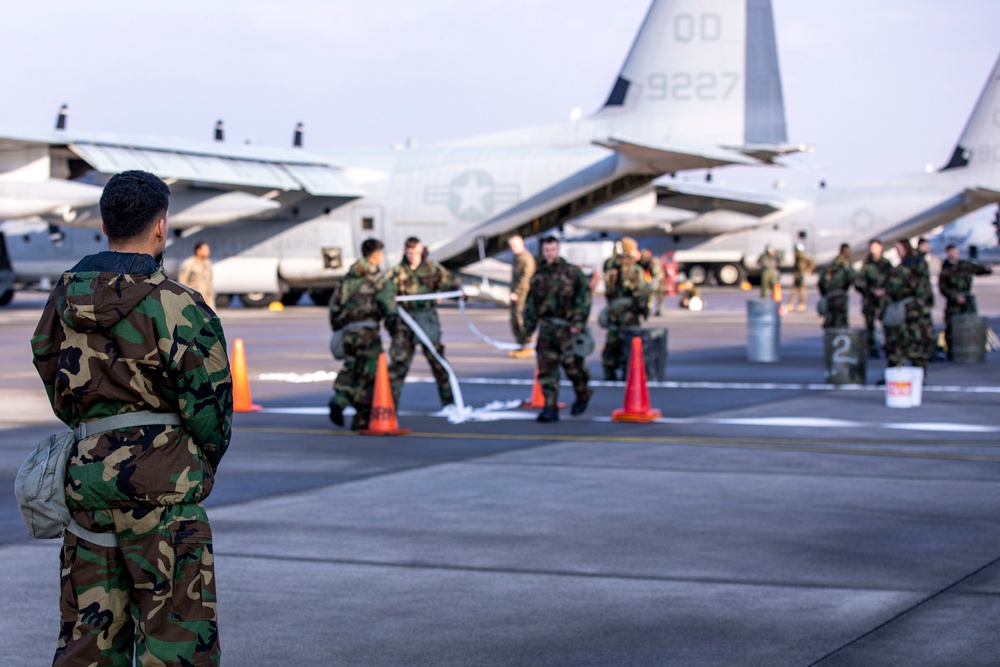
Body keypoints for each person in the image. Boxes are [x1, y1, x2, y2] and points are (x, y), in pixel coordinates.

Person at [30, 170, 232, 666]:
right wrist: (195, 463)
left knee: (89, 643)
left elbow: (50, 370)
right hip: (165, 495)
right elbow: (210, 408)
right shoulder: (179, 306)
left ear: (104, 224)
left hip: (88, 487)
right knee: (176, 642)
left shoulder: (63, 300)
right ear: (160, 226)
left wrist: (97, 428)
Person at [519, 235, 593, 422]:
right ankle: (550, 407)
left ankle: (582, 394)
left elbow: (584, 298)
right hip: (547, 328)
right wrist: (528, 330)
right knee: (547, 369)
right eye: (546, 250)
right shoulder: (538, 276)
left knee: (573, 368)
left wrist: (578, 322)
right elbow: (531, 305)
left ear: (558, 249)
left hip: (568, 328)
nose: (550, 254)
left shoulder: (572, 272)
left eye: (552, 250)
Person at [329, 238, 399, 430]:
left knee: (351, 367)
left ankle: (339, 399)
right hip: (368, 333)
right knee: (370, 374)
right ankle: (361, 418)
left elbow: (334, 307)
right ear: (377, 255)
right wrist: (395, 332)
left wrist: (339, 329)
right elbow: (389, 307)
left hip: (348, 332)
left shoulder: (348, 278)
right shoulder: (378, 279)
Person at [388, 237, 460, 409]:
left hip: (426, 320)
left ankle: (450, 403)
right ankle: (388, 405)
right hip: (405, 322)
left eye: (416, 252)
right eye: (409, 253)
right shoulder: (397, 272)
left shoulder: (432, 269)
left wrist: (458, 292)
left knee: (438, 362)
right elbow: (386, 291)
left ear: (421, 251)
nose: (412, 256)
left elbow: (449, 283)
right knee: (398, 365)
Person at [602, 237, 649, 381]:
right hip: (630, 314)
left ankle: (609, 373)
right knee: (631, 345)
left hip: (614, 311)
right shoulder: (635, 270)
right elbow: (641, 294)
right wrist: (643, 310)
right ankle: (628, 374)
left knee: (612, 343)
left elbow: (608, 289)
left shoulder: (610, 266)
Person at [885, 239, 934, 371]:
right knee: (917, 344)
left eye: (899, 249)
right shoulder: (920, 264)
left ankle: (897, 372)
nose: (898, 252)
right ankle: (918, 374)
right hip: (919, 309)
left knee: (899, 343)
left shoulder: (902, 269)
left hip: (907, 310)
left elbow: (893, 290)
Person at [939, 243, 993, 359]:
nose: (956, 255)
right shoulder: (946, 269)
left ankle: (972, 351)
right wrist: (955, 297)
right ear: (948, 254)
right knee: (951, 327)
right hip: (954, 303)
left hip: (967, 300)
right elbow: (943, 288)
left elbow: (977, 269)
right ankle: (952, 353)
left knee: (971, 324)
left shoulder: (964, 265)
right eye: (953, 252)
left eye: (957, 252)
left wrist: (987, 269)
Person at [855, 239, 892, 357]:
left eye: (875, 247)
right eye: (872, 247)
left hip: (884, 298)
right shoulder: (866, 264)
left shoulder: (886, 264)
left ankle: (888, 346)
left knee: (886, 322)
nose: (873, 250)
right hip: (870, 299)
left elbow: (892, 279)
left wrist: (884, 290)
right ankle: (871, 347)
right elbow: (859, 282)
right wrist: (871, 291)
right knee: (869, 324)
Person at [508, 234, 536, 358]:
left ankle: (528, 346)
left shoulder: (526, 259)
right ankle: (521, 345)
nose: (513, 248)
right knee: (515, 321)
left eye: (515, 245)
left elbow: (525, 279)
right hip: (516, 295)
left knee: (523, 321)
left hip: (523, 296)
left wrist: (517, 293)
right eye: (512, 246)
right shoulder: (517, 258)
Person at [818, 243, 856, 329]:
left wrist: (825, 294)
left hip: (830, 296)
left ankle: (831, 339)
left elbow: (821, 282)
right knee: (841, 323)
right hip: (840, 297)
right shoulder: (845, 265)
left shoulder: (831, 264)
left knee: (830, 320)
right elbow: (854, 277)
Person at [177, 241, 215, 309]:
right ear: (198, 251)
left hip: (207, 300)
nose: (208, 251)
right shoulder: (189, 263)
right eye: (205, 249)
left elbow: (210, 282)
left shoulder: (208, 264)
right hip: (194, 300)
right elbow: (182, 281)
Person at [787, 243, 814, 312]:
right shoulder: (797, 257)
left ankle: (802, 305)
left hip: (802, 275)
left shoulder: (802, 256)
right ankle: (791, 304)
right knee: (794, 290)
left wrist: (808, 270)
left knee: (802, 290)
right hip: (797, 275)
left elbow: (812, 263)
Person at [639, 248, 666, 316]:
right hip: (656, 280)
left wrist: (653, 283)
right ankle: (649, 309)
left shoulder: (653, 261)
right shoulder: (647, 262)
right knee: (652, 296)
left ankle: (658, 309)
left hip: (659, 280)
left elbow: (656, 274)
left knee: (658, 296)